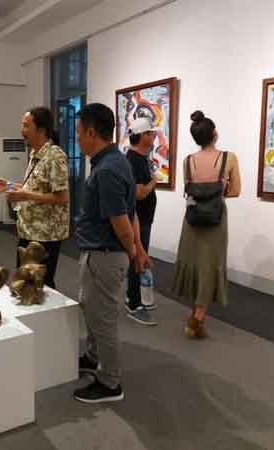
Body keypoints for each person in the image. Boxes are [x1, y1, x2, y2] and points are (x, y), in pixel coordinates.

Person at [74, 103, 151, 404]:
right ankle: (94, 357)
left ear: (92, 133)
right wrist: (138, 249)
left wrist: (133, 252)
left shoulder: (107, 169)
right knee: (91, 309)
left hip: (105, 255)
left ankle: (110, 383)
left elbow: (121, 222)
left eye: (79, 133)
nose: (77, 139)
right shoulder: (117, 161)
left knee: (103, 318)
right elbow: (131, 212)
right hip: (101, 253)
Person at [172, 110, 241, 339]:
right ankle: (198, 317)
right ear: (214, 134)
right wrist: (220, 190)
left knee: (194, 262)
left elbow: (190, 189)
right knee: (211, 264)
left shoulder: (187, 161)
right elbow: (235, 191)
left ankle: (196, 313)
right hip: (216, 219)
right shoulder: (229, 158)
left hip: (192, 219)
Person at [0, 107, 69, 289]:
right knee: (25, 283)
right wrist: (10, 185)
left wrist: (24, 195)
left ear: (41, 129)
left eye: (26, 126)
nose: (22, 130)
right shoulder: (35, 154)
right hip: (29, 231)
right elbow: (35, 187)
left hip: (45, 236)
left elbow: (62, 197)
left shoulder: (55, 156)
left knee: (41, 286)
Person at [125, 117, 159, 326]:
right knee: (137, 258)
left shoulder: (139, 158)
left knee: (138, 257)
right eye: (150, 133)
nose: (153, 136)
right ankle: (134, 303)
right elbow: (139, 193)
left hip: (144, 218)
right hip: (138, 220)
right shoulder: (133, 161)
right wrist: (154, 181)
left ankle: (134, 296)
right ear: (142, 136)